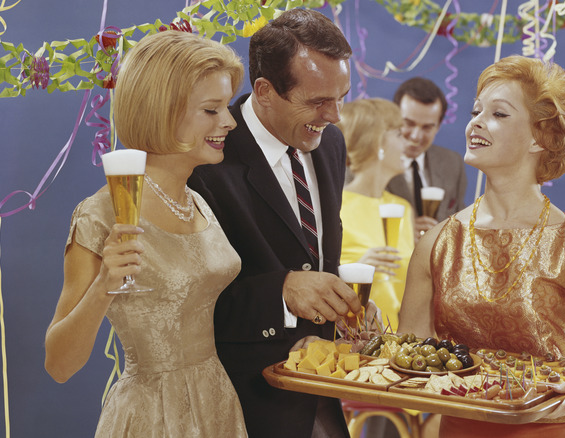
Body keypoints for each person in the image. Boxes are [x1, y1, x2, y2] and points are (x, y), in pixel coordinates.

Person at [399, 56, 565, 437]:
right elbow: (407, 367)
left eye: (498, 114)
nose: (476, 122)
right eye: (475, 110)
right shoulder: (436, 242)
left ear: (539, 138)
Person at [44, 30, 248, 437]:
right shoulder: (100, 213)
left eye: (226, 107)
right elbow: (59, 365)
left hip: (219, 404)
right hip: (152, 417)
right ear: (162, 112)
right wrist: (104, 286)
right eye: (211, 109)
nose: (229, 121)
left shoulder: (197, 199)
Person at [187, 9, 360, 438]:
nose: (335, 116)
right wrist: (280, 292)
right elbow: (181, 305)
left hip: (321, 397)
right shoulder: (205, 159)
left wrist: (344, 309)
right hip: (240, 405)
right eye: (319, 101)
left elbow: (314, 256)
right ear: (263, 91)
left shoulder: (331, 144)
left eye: (342, 97)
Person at [337, 98, 414, 331]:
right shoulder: (335, 205)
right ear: (378, 142)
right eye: (399, 134)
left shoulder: (402, 208)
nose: (407, 143)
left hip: (397, 341)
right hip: (350, 339)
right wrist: (356, 270)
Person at [386, 77, 467, 239]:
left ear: (438, 126)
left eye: (427, 127)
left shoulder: (453, 163)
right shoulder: (368, 163)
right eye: (408, 123)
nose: (416, 136)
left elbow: (460, 223)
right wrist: (404, 232)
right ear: (394, 117)